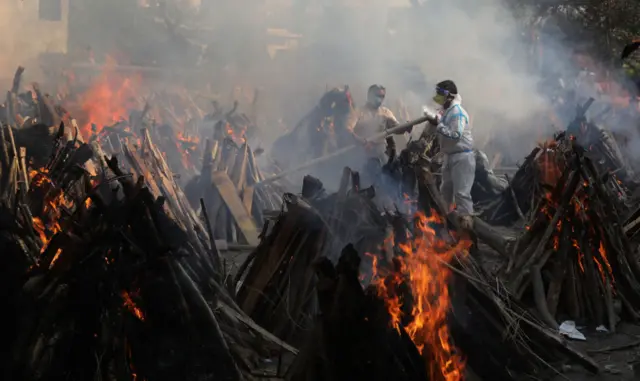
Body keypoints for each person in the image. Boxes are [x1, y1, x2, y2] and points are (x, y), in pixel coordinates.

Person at [423, 80, 475, 229]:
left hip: (462, 157)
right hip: (450, 156)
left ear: (450, 97)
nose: (438, 97)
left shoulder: (457, 112)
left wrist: (439, 125)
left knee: (461, 193)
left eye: (441, 94)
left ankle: (467, 229)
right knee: (445, 191)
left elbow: (455, 134)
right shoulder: (445, 112)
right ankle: (445, 224)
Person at [348, 85, 409, 182]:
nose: (380, 99)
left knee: (394, 176)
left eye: (382, 96)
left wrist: (406, 127)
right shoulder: (359, 112)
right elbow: (348, 129)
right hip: (363, 154)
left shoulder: (385, 112)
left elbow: (397, 128)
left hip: (382, 152)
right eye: (377, 95)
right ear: (369, 96)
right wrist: (360, 140)